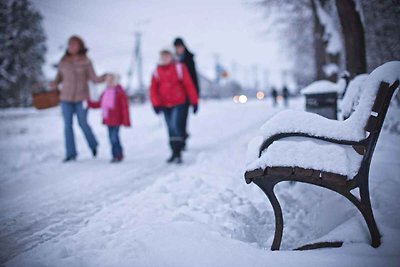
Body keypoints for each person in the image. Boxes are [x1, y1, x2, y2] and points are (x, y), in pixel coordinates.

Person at [50, 35, 107, 162]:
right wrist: (53, 84)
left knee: (83, 123)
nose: (71, 47)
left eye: (74, 44)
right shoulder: (63, 61)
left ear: (80, 46)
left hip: (82, 98)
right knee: (67, 125)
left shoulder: (86, 61)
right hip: (65, 97)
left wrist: (105, 77)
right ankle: (71, 154)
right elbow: (58, 78)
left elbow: (94, 78)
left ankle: (93, 144)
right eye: (70, 44)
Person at [149, 50, 198, 164]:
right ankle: (173, 152)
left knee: (176, 125)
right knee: (170, 127)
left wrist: (194, 101)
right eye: (163, 57)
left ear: (171, 57)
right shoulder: (156, 71)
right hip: (165, 104)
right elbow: (153, 89)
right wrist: (155, 104)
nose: (165, 59)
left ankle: (178, 152)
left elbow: (188, 85)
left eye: (167, 56)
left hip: (179, 102)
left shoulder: (179, 68)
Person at [88, 74, 130, 163]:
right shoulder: (105, 93)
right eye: (107, 81)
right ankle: (116, 154)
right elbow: (99, 104)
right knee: (111, 138)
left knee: (114, 138)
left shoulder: (119, 92)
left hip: (117, 119)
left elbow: (124, 107)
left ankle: (117, 154)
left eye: (111, 80)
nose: (109, 82)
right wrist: (89, 103)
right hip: (108, 120)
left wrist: (126, 120)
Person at [173, 38, 200, 148]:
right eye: (176, 47)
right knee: (176, 120)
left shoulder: (189, 59)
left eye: (180, 46)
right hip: (175, 95)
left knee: (182, 118)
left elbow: (194, 77)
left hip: (187, 94)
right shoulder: (173, 60)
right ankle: (181, 137)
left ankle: (182, 138)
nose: (178, 49)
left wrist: (195, 97)